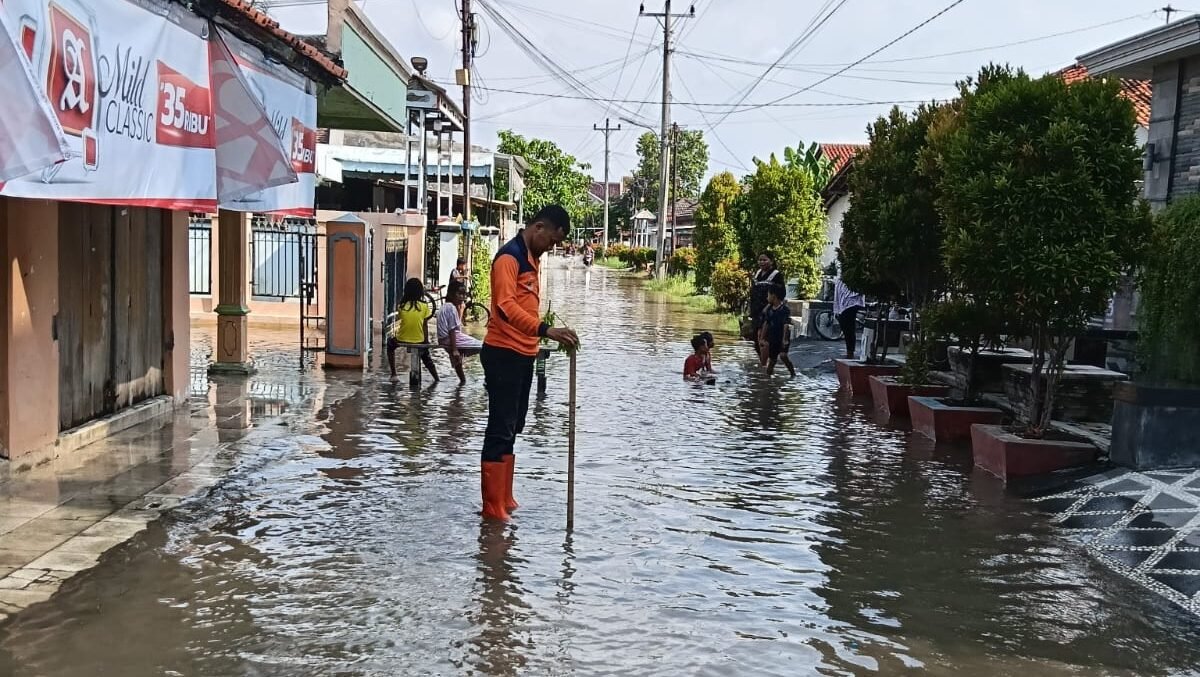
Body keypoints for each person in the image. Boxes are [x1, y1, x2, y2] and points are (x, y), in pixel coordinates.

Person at [480, 205, 579, 521]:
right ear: (538, 228)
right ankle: (491, 506)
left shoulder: (531, 258)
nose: (552, 248)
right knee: (500, 427)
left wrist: (540, 337)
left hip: (524, 353)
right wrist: (546, 330)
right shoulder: (509, 258)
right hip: (502, 353)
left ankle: (505, 496)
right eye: (552, 241)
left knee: (514, 426)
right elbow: (505, 308)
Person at [387, 278, 438, 382]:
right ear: (420, 292)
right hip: (419, 339)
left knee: (389, 345)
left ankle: (393, 374)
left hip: (402, 338)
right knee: (426, 356)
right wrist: (426, 342)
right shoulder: (424, 306)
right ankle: (436, 379)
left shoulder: (401, 306)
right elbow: (425, 326)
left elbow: (404, 320)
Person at [437, 280, 483, 384]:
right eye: (459, 294)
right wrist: (454, 349)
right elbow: (452, 330)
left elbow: (454, 326)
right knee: (484, 347)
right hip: (450, 339)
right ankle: (487, 379)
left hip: (443, 339)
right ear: (452, 294)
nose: (462, 297)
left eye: (464, 294)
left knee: (458, 361)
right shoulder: (451, 308)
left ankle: (462, 383)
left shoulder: (445, 307)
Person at [748, 253, 783, 364]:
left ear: (771, 261)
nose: (762, 262)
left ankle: (765, 366)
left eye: (765, 260)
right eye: (760, 260)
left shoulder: (776, 275)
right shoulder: (757, 274)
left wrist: (769, 306)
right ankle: (763, 362)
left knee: (763, 338)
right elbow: (753, 292)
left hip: (769, 311)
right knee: (755, 338)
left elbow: (781, 294)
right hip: (756, 310)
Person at [759, 284, 796, 377]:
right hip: (773, 337)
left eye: (768, 295)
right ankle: (768, 379)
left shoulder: (784, 310)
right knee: (772, 361)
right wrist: (762, 338)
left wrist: (784, 339)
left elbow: (785, 325)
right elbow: (766, 324)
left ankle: (792, 373)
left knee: (783, 355)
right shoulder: (769, 310)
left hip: (783, 336)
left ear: (773, 296)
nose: (767, 297)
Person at [833, 273, 866, 360]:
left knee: (849, 329)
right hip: (843, 306)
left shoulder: (853, 279)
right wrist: (836, 310)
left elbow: (859, 291)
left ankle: (850, 352)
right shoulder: (839, 281)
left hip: (851, 304)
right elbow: (837, 296)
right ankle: (850, 351)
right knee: (846, 328)